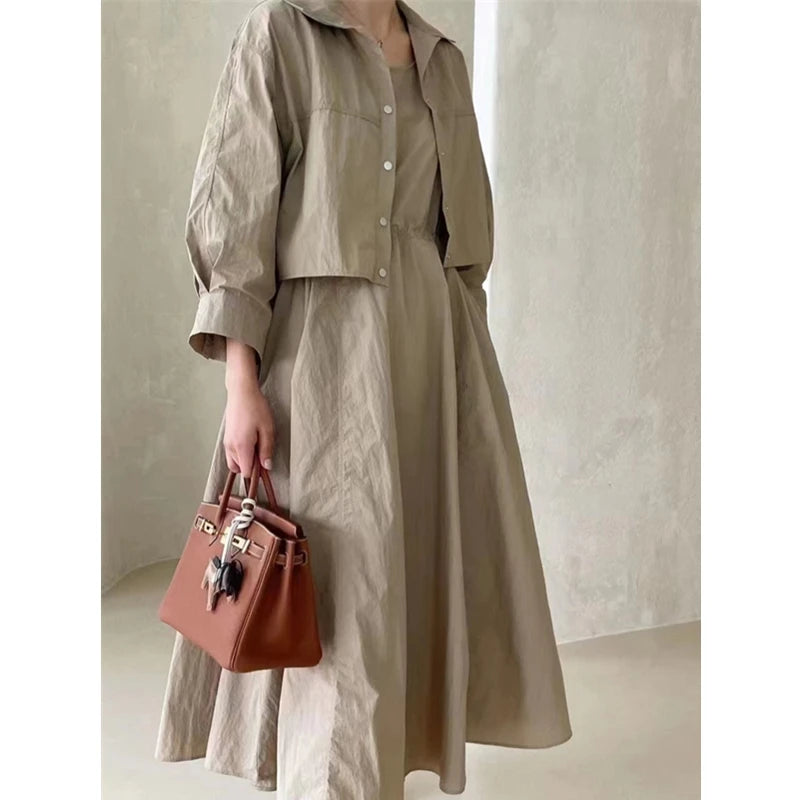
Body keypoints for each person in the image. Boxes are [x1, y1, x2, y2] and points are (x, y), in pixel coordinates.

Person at [155, 1, 572, 797]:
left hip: (430, 360)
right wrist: (241, 383)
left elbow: (467, 243)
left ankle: (378, 766)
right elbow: (237, 210)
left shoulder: (441, 58)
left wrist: (465, 380)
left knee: (400, 587)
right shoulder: (280, 33)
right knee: (339, 594)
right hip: (323, 364)